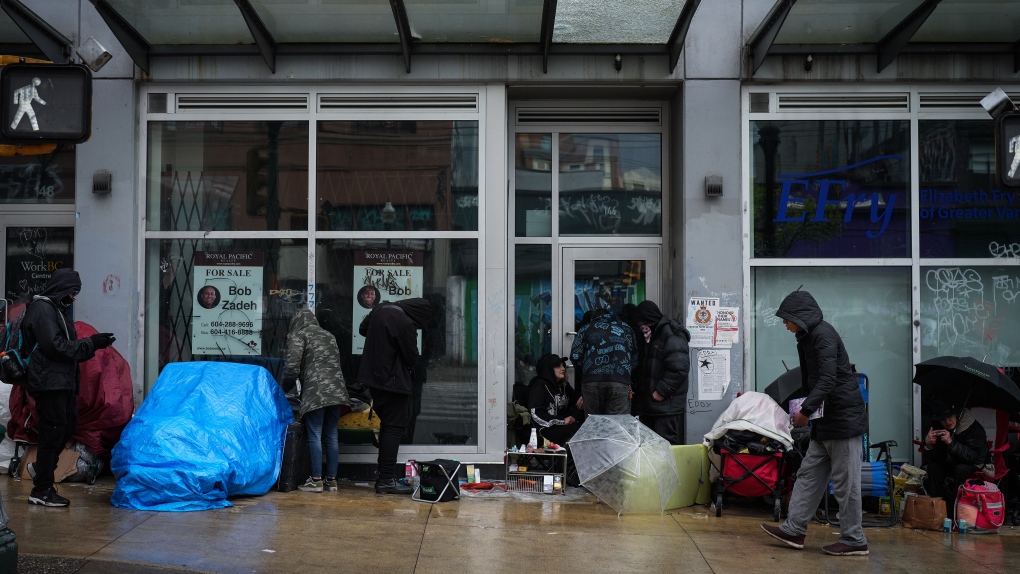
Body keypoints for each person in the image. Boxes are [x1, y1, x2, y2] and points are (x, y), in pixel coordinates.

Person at [760, 289, 869, 556]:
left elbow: (828, 380)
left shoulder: (823, 335)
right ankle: (794, 529)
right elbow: (813, 381)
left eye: (786, 318)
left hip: (843, 420)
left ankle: (854, 539)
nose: (784, 324)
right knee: (808, 474)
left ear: (799, 316)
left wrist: (806, 411)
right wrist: (803, 409)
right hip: (826, 421)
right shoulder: (807, 337)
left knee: (846, 484)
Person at [20, 269, 115, 507]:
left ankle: (41, 469)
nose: (74, 298)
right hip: (49, 383)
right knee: (53, 431)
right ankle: (41, 489)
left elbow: (65, 346)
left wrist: (92, 344)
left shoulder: (56, 310)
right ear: (61, 289)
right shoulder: (42, 310)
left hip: (61, 382)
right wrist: (91, 344)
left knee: (68, 426)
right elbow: (56, 347)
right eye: (73, 292)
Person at [357, 297, 433, 494]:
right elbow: (412, 358)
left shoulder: (380, 311)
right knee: (393, 429)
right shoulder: (405, 323)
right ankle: (386, 481)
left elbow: (362, 329)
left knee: (387, 427)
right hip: (393, 383)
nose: (418, 326)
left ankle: (384, 477)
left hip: (374, 380)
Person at [281, 308, 350, 493]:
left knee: (315, 434)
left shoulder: (299, 335)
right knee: (331, 434)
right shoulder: (329, 335)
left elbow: (291, 367)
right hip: (337, 391)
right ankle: (332, 480)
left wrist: (282, 389)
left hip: (316, 391)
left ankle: (316, 480)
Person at [630, 300, 691, 445]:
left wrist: (661, 392)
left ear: (649, 320)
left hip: (666, 405)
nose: (640, 327)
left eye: (641, 323)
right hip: (653, 406)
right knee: (653, 447)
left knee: (665, 445)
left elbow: (679, 368)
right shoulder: (652, 336)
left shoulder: (671, 334)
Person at [570, 307, 637, 416]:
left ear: (593, 318)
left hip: (592, 381)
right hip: (619, 380)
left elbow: (575, 356)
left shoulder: (586, 328)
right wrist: (625, 373)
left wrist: (588, 370)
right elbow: (634, 359)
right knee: (617, 425)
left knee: (593, 424)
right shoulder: (626, 328)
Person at [921, 399, 991, 504]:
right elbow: (939, 458)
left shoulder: (974, 428)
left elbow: (971, 456)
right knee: (933, 467)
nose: (947, 422)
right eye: (942, 419)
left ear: (956, 414)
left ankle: (955, 507)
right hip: (954, 462)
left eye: (950, 416)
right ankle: (938, 505)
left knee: (961, 469)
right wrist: (929, 445)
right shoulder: (940, 428)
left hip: (976, 463)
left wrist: (951, 443)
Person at [528, 354, 583, 446]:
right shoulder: (540, 385)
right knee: (581, 429)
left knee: (584, 427)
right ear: (548, 369)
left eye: (563, 365)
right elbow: (535, 413)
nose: (563, 369)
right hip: (545, 430)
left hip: (561, 427)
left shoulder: (563, 385)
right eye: (558, 366)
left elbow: (575, 399)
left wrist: (583, 398)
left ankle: (564, 458)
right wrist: (562, 420)